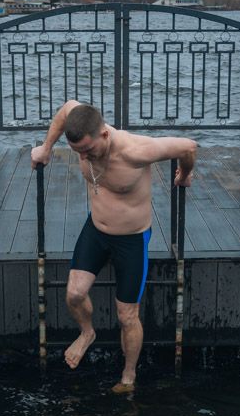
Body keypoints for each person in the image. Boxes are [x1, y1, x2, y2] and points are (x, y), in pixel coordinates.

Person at [30, 101, 197, 393]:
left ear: (104, 135)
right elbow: (67, 109)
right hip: (96, 229)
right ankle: (87, 333)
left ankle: (128, 376)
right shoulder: (83, 129)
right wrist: (45, 148)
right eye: (78, 152)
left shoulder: (136, 151)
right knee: (74, 293)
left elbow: (188, 146)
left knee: (127, 315)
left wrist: (184, 175)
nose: (83, 156)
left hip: (131, 238)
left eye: (87, 150)